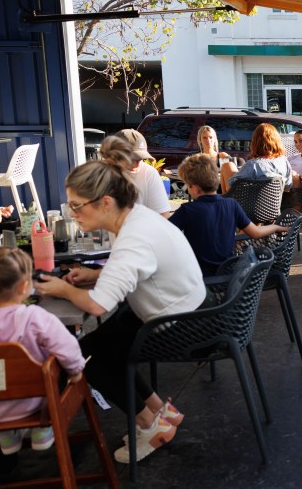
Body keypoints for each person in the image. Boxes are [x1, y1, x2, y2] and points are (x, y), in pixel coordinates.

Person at [35, 159, 207, 464]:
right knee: (99, 343)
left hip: (176, 324)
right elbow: (139, 268)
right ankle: (161, 412)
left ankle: (150, 426)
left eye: (76, 206)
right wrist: (95, 275)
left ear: (105, 203)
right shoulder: (137, 217)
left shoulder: (132, 238)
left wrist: (61, 289)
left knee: (88, 359)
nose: (72, 214)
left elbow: (96, 305)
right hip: (184, 309)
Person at [0, 246, 86, 454]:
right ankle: (43, 429)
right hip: (31, 404)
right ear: (24, 287)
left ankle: (6, 435)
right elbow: (67, 346)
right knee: (54, 370)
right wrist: (75, 371)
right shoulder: (34, 317)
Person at [170, 153, 290, 275]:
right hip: (228, 274)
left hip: (200, 277)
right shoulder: (231, 204)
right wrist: (276, 227)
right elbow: (256, 232)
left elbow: (163, 233)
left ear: (195, 188)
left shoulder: (187, 210)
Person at [100, 130, 172, 218]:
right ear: (114, 156)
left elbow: (163, 215)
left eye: (140, 159)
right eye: (132, 159)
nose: (136, 164)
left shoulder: (149, 173)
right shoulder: (100, 175)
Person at [220, 123, 293, 194]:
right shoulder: (284, 161)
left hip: (247, 201)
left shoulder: (253, 165)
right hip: (274, 201)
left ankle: (222, 201)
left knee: (227, 166)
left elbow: (231, 186)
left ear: (255, 142)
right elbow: (287, 187)